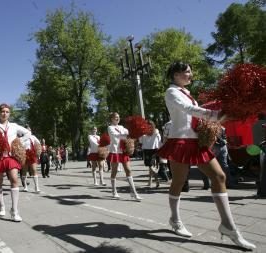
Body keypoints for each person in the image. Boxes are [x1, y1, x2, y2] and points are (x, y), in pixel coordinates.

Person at [158, 61, 256, 250]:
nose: (190, 74)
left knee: (219, 176)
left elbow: (194, 114)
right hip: (180, 142)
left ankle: (228, 226)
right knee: (178, 182)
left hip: (196, 142)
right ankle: (175, 219)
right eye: (187, 72)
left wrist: (226, 113)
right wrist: (215, 114)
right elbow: (189, 110)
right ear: (176, 75)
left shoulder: (186, 93)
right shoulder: (171, 92)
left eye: (190, 71)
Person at [0, 104, 31, 222]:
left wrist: (18, 141)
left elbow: (28, 133)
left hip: (10, 157)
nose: (4, 113)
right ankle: (2, 206)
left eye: (7, 112)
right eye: (2, 111)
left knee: (15, 179)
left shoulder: (14, 126)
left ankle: (14, 211)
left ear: (9, 114)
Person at [107, 112, 142, 201]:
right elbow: (116, 135)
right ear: (112, 119)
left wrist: (128, 132)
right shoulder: (110, 127)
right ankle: (114, 191)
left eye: (118, 117)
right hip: (115, 151)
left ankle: (133, 192)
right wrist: (124, 134)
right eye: (115, 117)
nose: (117, 119)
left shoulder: (122, 127)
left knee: (128, 170)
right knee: (114, 171)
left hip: (123, 151)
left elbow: (128, 133)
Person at [139, 121, 162, 188]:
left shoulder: (155, 132)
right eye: (148, 125)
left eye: (150, 125)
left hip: (152, 150)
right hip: (150, 150)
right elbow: (140, 141)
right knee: (150, 167)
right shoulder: (154, 132)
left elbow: (141, 141)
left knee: (151, 166)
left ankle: (157, 180)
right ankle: (150, 181)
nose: (149, 127)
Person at [20, 125, 41, 193]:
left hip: (32, 154)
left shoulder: (33, 137)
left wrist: (38, 152)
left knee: (34, 169)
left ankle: (37, 187)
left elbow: (38, 144)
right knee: (24, 171)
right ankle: (25, 187)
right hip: (24, 154)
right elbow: (19, 146)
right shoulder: (22, 138)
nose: (29, 131)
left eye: (30, 130)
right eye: (28, 130)